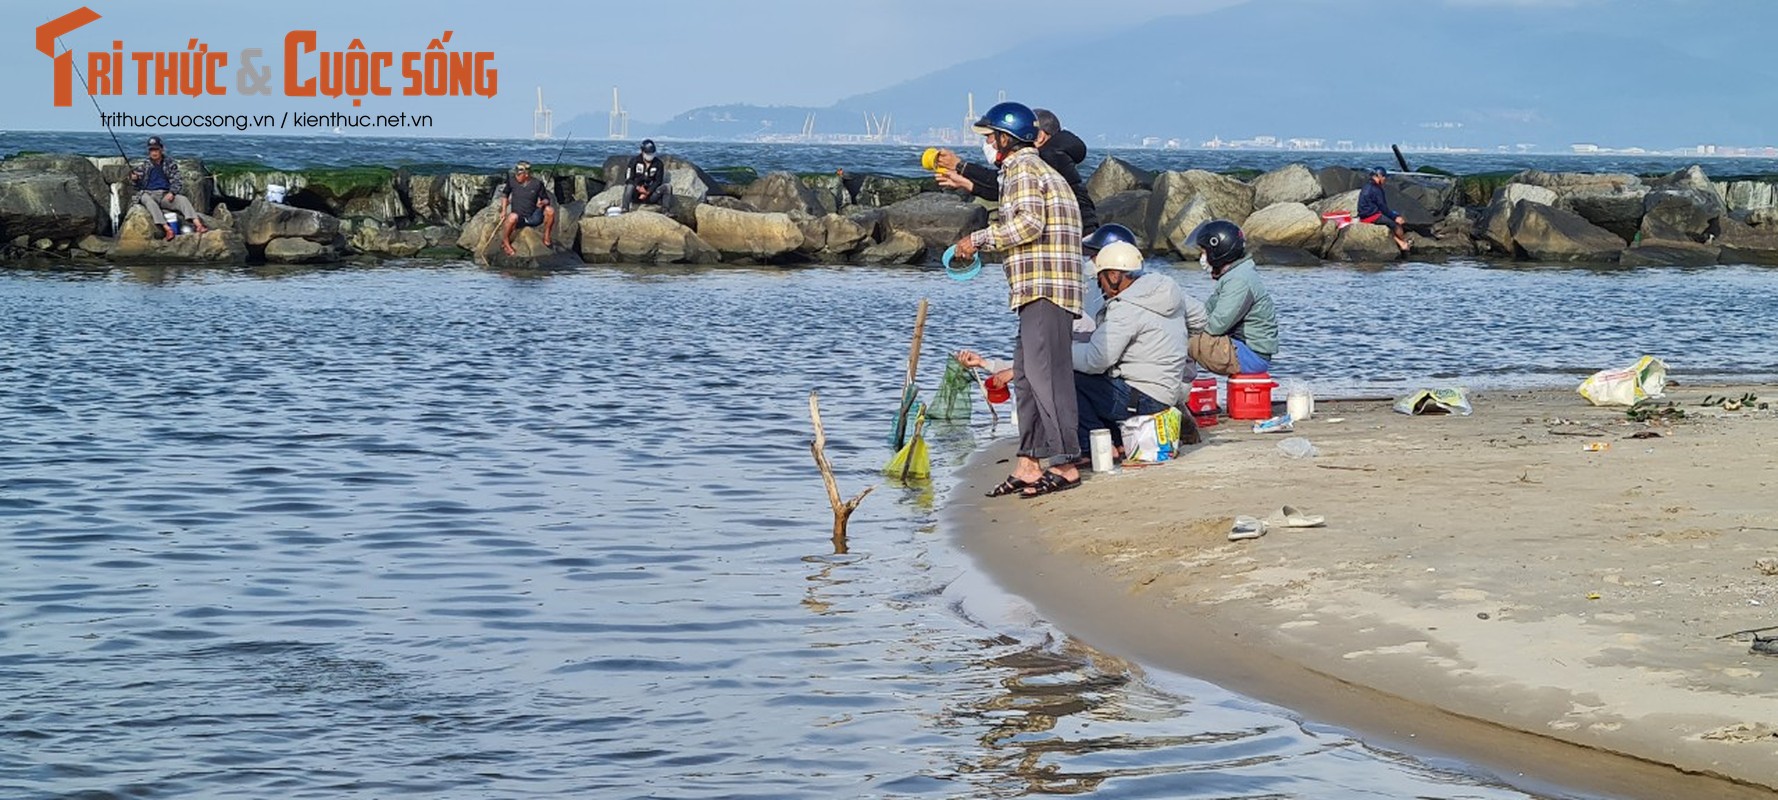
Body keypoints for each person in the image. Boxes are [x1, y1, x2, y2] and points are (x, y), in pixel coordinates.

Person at [952, 101, 1085, 499]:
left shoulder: (1024, 169)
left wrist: (977, 240)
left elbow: (1028, 224)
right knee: (1026, 379)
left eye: (991, 137)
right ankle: (1028, 463)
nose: (988, 143)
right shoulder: (1026, 168)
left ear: (1008, 139)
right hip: (1035, 288)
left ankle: (1064, 463)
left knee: (1048, 379)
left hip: (1046, 287)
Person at [1071, 241, 1199, 457]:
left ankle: (1096, 445)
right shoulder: (1166, 293)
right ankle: (1120, 441)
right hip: (1168, 394)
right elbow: (1201, 318)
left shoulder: (1126, 307)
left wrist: (1062, 352)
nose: (1099, 286)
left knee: (1071, 378)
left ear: (1113, 276)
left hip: (1144, 398)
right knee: (1101, 381)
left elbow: (1096, 360)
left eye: (1100, 278)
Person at [933, 108, 1097, 234]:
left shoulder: (1047, 156)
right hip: (1075, 231)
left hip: (1079, 234)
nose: (991, 143)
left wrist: (961, 166)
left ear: (1039, 137)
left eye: (993, 136)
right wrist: (966, 183)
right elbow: (1007, 189)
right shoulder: (1052, 154)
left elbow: (1003, 182)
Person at [1187, 219, 1278, 376]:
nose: (1201, 257)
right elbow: (1206, 311)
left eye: (1203, 252)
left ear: (1218, 251)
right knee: (1178, 333)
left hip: (1250, 355)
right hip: (1241, 348)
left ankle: (1173, 392)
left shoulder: (1239, 280)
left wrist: (1187, 333)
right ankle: (1182, 389)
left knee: (1176, 341)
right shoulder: (1233, 276)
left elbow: (1217, 324)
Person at [129, 139, 206, 241]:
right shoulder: (144, 166)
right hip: (148, 193)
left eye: (156, 149)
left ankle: (198, 225)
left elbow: (177, 180)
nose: (154, 152)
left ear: (162, 149)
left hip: (165, 194)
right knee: (149, 202)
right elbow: (137, 184)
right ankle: (168, 229)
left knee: (182, 199)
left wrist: (172, 192)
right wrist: (134, 178)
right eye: (151, 150)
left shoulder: (170, 164)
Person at [497, 161, 556, 256]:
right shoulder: (512, 181)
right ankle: (506, 242)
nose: (517, 176)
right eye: (516, 174)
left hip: (533, 216)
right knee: (512, 217)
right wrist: (503, 210)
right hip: (518, 218)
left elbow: (546, 199)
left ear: (526, 174)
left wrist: (542, 202)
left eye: (519, 174)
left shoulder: (537, 184)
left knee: (550, 210)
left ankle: (546, 236)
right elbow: (505, 195)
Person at [1358, 166, 1411, 255]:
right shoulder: (1376, 189)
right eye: (1384, 177)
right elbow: (1383, 207)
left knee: (1390, 219)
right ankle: (1403, 243)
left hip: (1363, 215)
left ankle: (1401, 243)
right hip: (1371, 216)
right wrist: (1395, 217)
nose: (1385, 179)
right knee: (1395, 224)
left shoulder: (1366, 186)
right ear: (1379, 176)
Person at [621, 139, 674, 214]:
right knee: (629, 186)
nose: (650, 155)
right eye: (648, 153)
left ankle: (666, 211)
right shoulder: (634, 161)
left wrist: (648, 192)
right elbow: (628, 178)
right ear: (642, 152)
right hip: (636, 194)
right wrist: (638, 188)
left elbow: (658, 181)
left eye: (652, 153)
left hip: (650, 194)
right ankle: (625, 208)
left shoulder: (658, 164)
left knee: (667, 187)